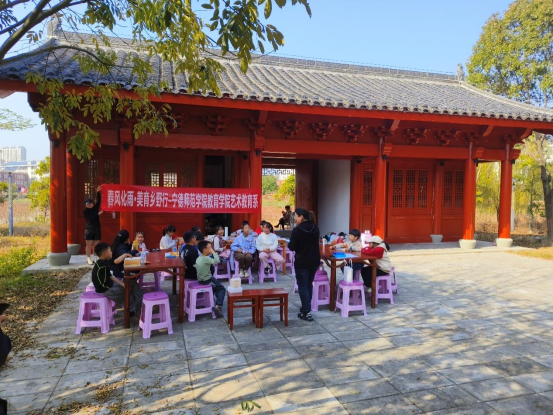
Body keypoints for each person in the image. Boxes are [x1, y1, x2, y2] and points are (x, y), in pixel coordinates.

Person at [288, 207, 320, 322]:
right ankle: (306, 308)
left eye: (296, 216)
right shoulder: (315, 227)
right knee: (308, 285)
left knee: (302, 286)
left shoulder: (297, 230)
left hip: (302, 261)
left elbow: (292, 247)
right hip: (314, 261)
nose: (295, 219)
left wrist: (291, 241)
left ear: (301, 217)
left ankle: (306, 311)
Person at [92, 242, 140, 317]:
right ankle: (130, 311)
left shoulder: (103, 263)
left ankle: (140, 302)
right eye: (110, 251)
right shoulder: (102, 263)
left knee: (130, 282)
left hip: (109, 284)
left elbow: (110, 276)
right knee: (128, 290)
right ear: (105, 253)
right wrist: (124, 254)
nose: (111, 252)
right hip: (105, 289)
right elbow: (117, 261)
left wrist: (122, 284)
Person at [109, 230, 144, 314]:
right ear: (127, 238)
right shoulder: (120, 247)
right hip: (118, 272)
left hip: (116, 270)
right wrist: (134, 251)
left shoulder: (117, 244)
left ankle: (136, 301)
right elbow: (123, 254)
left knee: (135, 273)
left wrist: (130, 245)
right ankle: (136, 304)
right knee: (133, 276)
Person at [196, 240, 226, 318]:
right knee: (222, 289)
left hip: (201, 280)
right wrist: (213, 252)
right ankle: (218, 306)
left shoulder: (199, 258)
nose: (211, 249)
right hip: (208, 280)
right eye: (210, 248)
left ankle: (213, 302)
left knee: (216, 287)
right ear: (205, 250)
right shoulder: (206, 258)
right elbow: (217, 261)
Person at [84, 185, 103, 265]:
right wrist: (98, 214)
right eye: (88, 204)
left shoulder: (95, 208)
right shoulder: (85, 211)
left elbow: (98, 201)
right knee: (88, 245)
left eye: (91, 203)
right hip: (89, 229)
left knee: (96, 245)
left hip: (96, 228)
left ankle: (95, 258)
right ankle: (88, 258)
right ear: (86, 205)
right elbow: (90, 218)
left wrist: (98, 192)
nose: (90, 205)